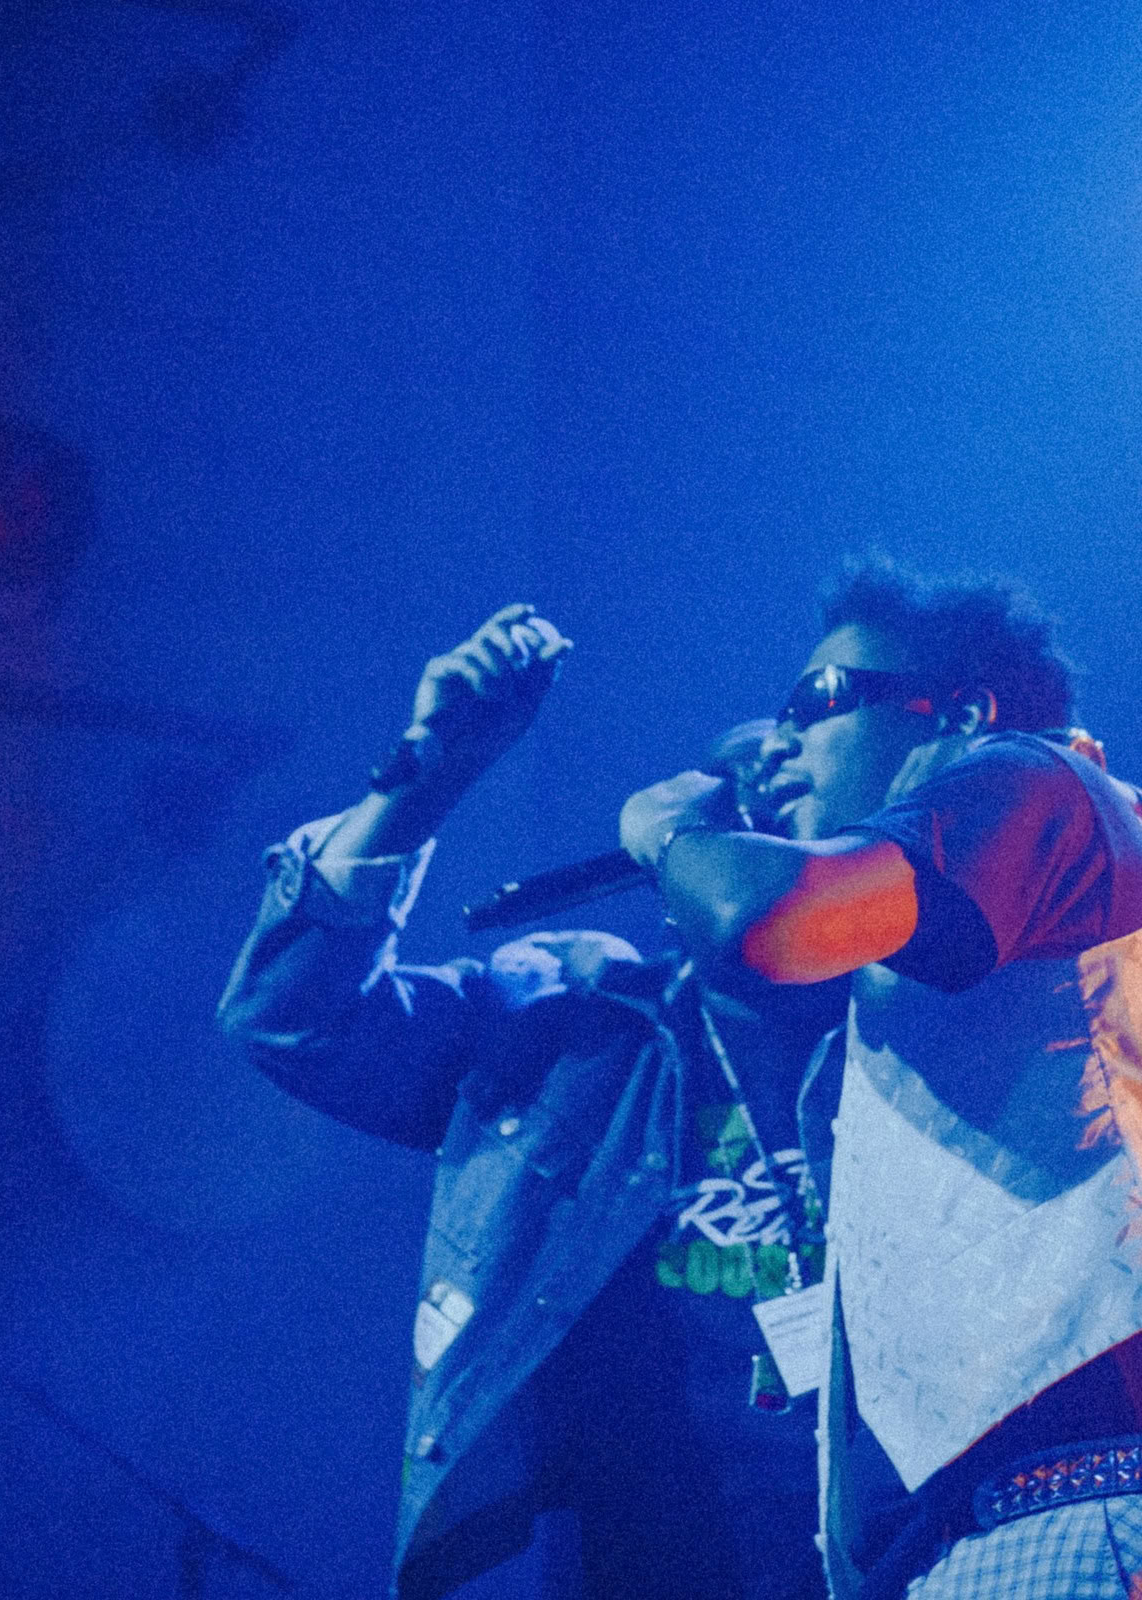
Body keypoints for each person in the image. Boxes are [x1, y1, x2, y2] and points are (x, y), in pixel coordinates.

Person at [623, 560, 1142, 1600]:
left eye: (818, 702)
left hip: (1088, 1503)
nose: (777, 741)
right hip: (1058, 1517)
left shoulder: (1028, 780)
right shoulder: (974, 921)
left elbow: (761, 919)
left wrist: (670, 833)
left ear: (961, 712)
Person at [217, 604, 843, 1600]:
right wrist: (435, 770)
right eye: (745, 772)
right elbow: (290, 1018)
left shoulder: (934, 1023)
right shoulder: (578, 1023)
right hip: (642, 1562)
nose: (774, 774)